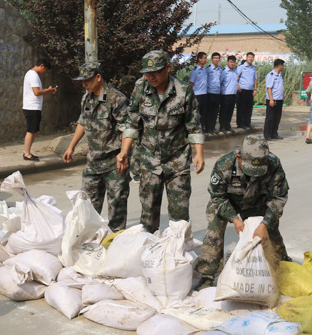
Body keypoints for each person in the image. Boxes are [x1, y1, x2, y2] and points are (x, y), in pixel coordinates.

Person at [117, 50, 205, 233]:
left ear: (167, 68)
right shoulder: (140, 89)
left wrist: (199, 154)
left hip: (177, 162)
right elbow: (132, 123)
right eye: (147, 73)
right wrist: (124, 151)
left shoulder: (183, 91)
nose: (151, 76)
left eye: (156, 71)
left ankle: (177, 255)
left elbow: (193, 125)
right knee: (148, 215)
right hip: (148, 161)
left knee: (179, 217)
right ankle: (150, 254)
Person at [195, 136, 290, 289]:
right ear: (239, 157)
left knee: (270, 231)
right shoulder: (224, 164)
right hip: (228, 202)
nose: (254, 175)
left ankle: (282, 265)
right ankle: (207, 274)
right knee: (215, 228)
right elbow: (217, 197)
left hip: (256, 201)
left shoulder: (273, 164)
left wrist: (264, 224)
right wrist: (235, 219)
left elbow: (278, 197)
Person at [62, 62, 130, 231]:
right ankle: (89, 237)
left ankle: (115, 241)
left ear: (98, 77)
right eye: (82, 81)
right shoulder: (87, 98)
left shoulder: (116, 99)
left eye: (87, 80)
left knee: (117, 206)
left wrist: (124, 153)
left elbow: (127, 129)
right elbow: (82, 122)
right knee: (87, 205)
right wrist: (71, 147)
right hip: (93, 162)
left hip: (114, 162)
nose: (84, 84)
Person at [20, 58, 57, 161]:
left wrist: (48, 90)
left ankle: (28, 152)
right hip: (32, 107)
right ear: (41, 66)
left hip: (32, 107)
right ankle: (27, 154)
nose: (44, 72)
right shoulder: (33, 75)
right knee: (31, 131)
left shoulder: (31, 74)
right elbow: (36, 92)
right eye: (45, 69)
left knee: (34, 130)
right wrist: (48, 90)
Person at [263, 59, 285, 140]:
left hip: (279, 99)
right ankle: (267, 135)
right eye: (282, 65)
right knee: (270, 118)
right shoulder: (271, 75)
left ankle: (274, 133)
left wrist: (283, 96)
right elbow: (269, 88)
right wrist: (271, 100)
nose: (283, 67)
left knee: (277, 118)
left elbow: (281, 87)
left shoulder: (280, 75)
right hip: (273, 99)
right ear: (280, 66)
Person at [236, 52, 257, 129]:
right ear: (246, 58)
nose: (251, 59)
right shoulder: (241, 67)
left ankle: (247, 123)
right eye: (249, 57)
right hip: (242, 90)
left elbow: (255, 79)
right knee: (241, 107)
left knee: (249, 108)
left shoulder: (253, 68)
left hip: (250, 90)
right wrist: (238, 86)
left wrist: (255, 89)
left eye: (252, 57)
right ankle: (240, 124)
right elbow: (236, 77)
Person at [189, 52, 208, 133]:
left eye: (206, 58)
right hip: (197, 95)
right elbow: (191, 84)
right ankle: (196, 130)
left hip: (204, 94)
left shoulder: (205, 70)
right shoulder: (195, 71)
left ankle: (202, 129)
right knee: (197, 114)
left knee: (204, 113)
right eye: (204, 58)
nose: (205, 59)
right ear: (199, 59)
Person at [219, 55, 239, 133]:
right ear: (227, 62)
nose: (232, 64)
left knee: (230, 111)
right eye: (230, 62)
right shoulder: (224, 71)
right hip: (225, 95)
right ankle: (222, 126)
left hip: (233, 94)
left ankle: (228, 125)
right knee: (224, 111)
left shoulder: (235, 71)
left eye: (233, 62)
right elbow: (220, 83)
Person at [205, 52, 223, 133]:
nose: (216, 60)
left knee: (215, 112)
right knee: (209, 111)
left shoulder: (220, 70)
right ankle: (208, 128)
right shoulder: (208, 69)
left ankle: (212, 127)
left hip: (217, 93)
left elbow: (221, 81)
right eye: (215, 58)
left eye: (218, 58)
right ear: (212, 59)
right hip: (210, 93)